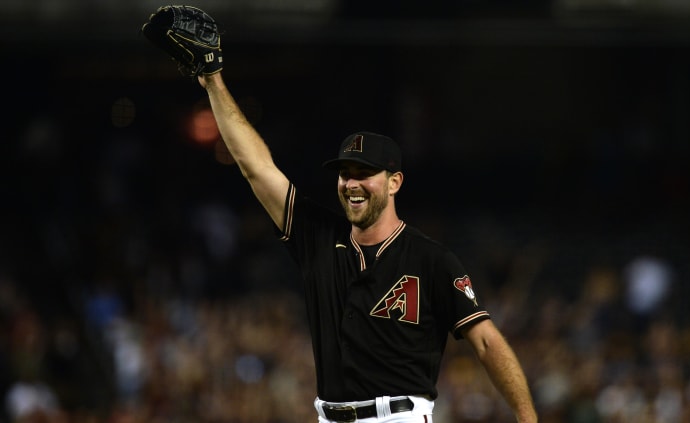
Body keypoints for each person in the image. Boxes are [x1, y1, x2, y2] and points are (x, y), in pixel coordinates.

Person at [195, 70, 537, 422]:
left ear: (394, 183)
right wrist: (214, 81)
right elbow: (256, 167)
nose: (351, 183)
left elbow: (486, 342)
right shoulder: (318, 238)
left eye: (364, 173)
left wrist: (527, 417)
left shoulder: (431, 259)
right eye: (345, 173)